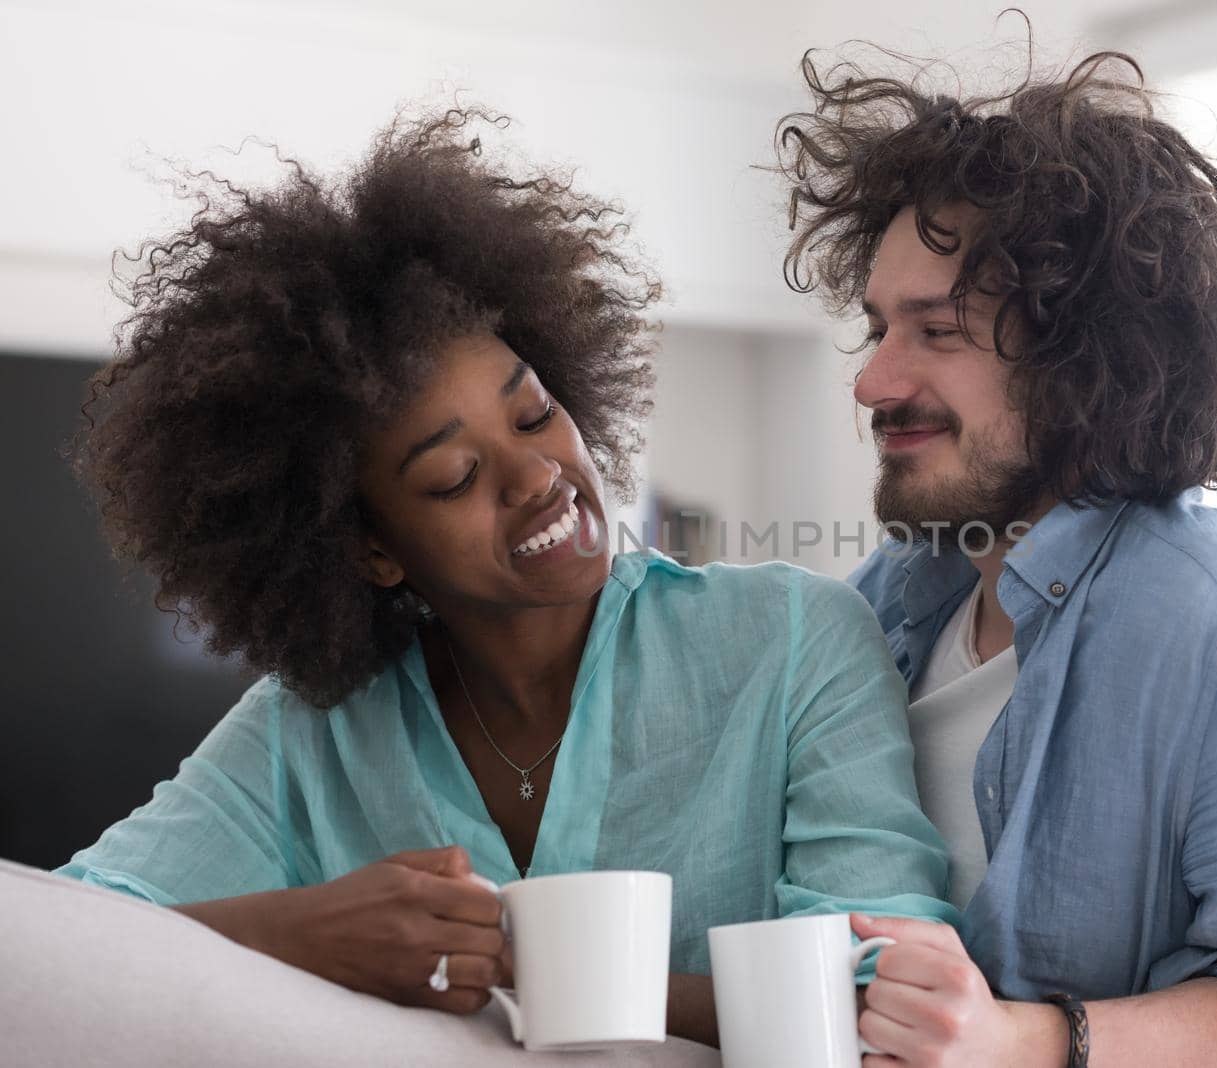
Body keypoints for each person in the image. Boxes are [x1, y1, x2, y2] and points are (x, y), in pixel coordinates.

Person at [57, 107, 956, 1048]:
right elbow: (59, 940)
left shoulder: (793, 639)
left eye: (533, 417)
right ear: (370, 548)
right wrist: (305, 936)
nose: (536, 478)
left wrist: (543, 969)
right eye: (454, 478)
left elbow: (887, 995)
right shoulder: (311, 735)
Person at [775, 47, 1217, 1067]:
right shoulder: (881, 607)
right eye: (880, 327)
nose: (873, 382)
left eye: (938, 331)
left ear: (1087, 361)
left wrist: (1020, 1042)